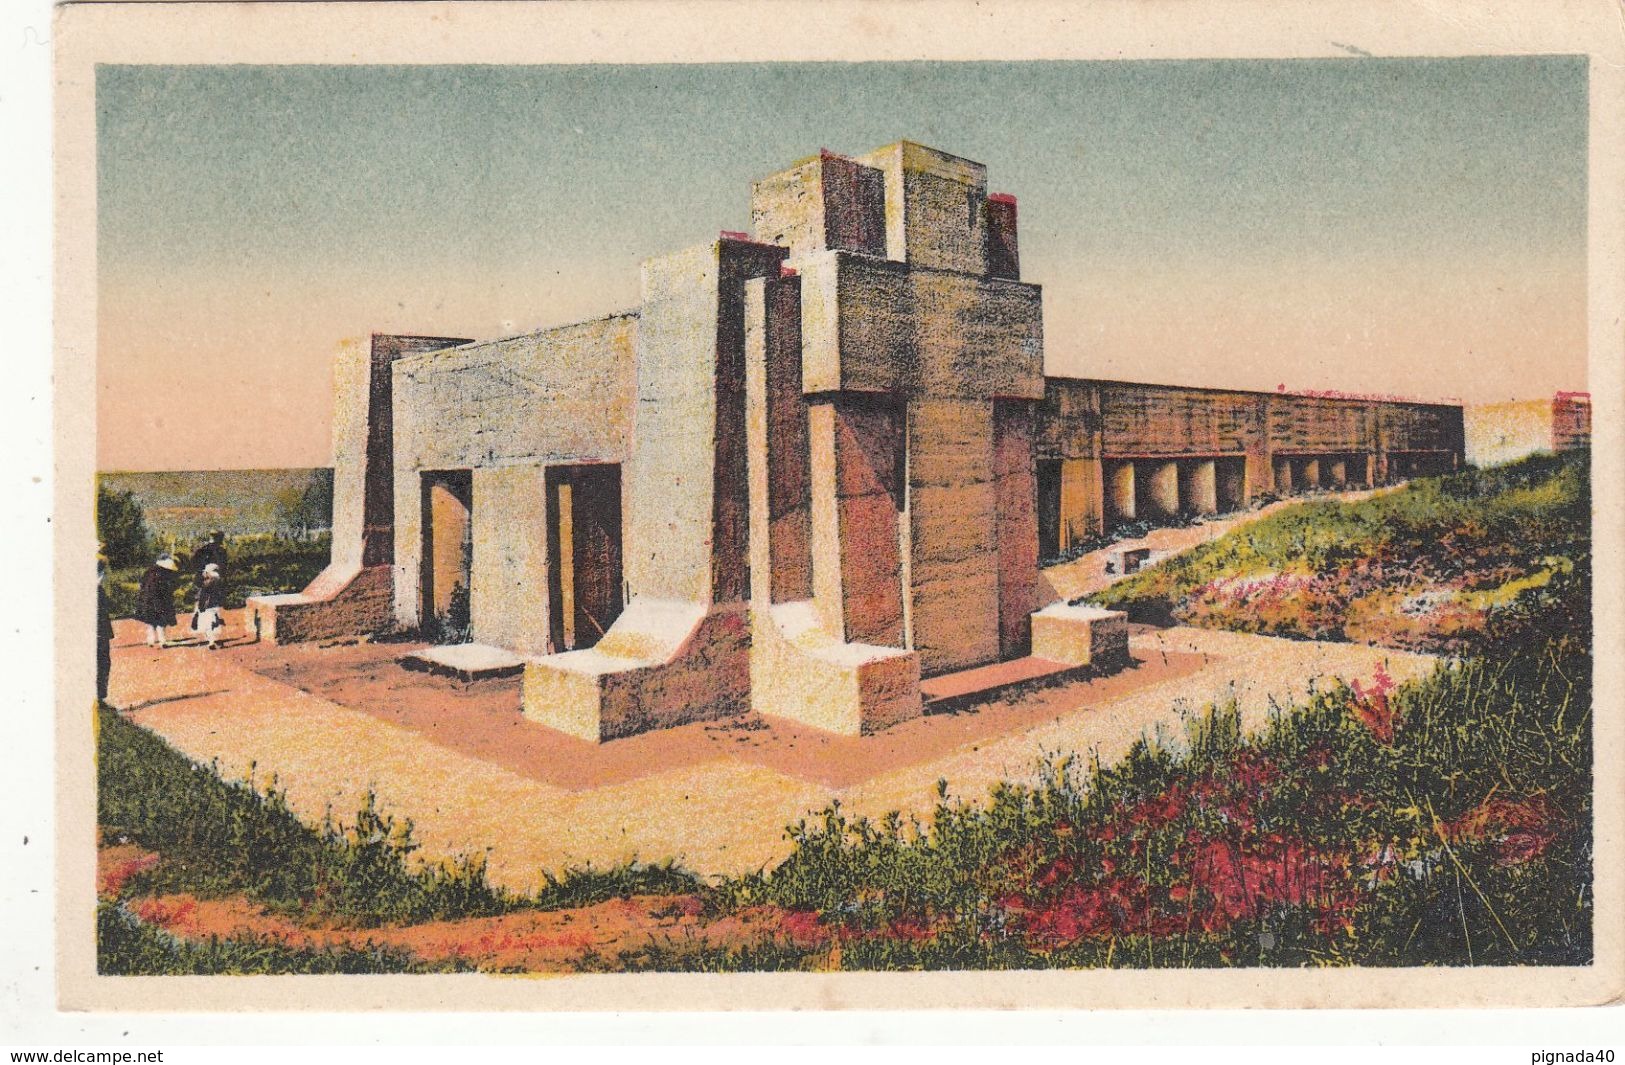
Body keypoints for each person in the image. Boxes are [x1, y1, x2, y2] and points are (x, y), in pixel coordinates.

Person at [134, 553, 179, 647]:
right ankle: (162, 641)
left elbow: (142, 584)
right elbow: (170, 586)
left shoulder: (149, 571)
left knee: (150, 621)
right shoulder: (166, 572)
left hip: (147, 599)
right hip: (160, 599)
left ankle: (151, 640)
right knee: (161, 621)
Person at [195, 562, 228, 650]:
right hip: (215, 604)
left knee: (208, 623)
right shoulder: (218, 579)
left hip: (207, 604)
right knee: (211, 622)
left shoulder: (210, 580)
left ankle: (211, 642)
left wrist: (204, 576)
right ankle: (211, 640)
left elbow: (202, 586)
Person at [96, 556, 114, 706]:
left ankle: (99, 697)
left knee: (103, 662)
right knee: (102, 662)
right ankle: (98, 697)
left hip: (100, 631)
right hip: (98, 632)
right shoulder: (97, 591)